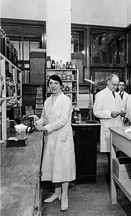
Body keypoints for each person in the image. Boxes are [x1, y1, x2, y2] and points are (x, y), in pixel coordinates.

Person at [34, 75, 76, 211]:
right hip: (51, 138)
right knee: (54, 166)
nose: (53, 86)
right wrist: (36, 122)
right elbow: (44, 118)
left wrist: (45, 127)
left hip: (63, 138)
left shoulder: (66, 100)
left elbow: (63, 120)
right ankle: (57, 193)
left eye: (55, 83)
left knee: (63, 167)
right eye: (50, 83)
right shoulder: (47, 101)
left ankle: (64, 197)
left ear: (61, 85)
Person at [93, 74, 125, 153]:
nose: (116, 87)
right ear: (108, 82)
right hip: (108, 127)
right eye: (114, 84)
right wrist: (110, 113)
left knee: (118, 153)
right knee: (110, 154)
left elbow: (121, 107)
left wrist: (123, 112)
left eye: (117, 85)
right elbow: (96, 112)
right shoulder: (100, 95)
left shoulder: (117, 95)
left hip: (118, 127)